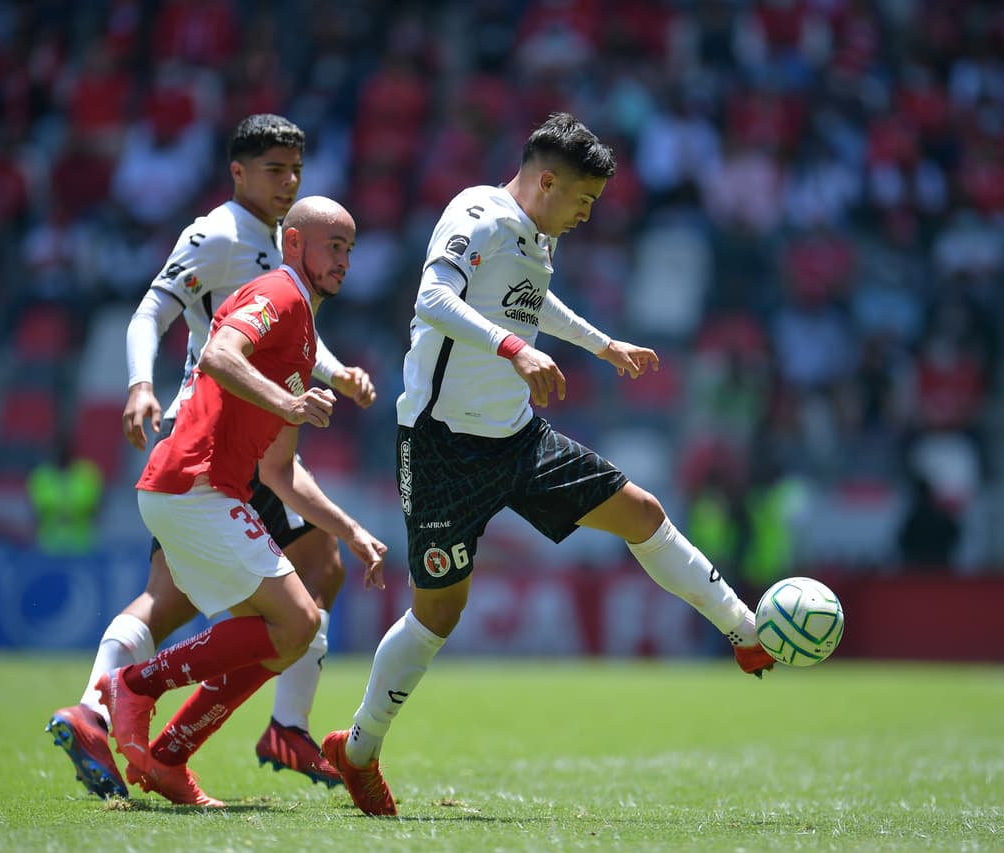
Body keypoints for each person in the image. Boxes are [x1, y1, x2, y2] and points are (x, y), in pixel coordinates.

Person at [319, 113, 777, 817]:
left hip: (516, 438)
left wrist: (601, 344)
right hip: (441, 446)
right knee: (439, 613)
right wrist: (515, 350)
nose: (588, 215)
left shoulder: (538, 234)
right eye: (584, 200)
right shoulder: (478, 215)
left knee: (642, 512)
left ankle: (744, 631)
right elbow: (432, 299)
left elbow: (530, 304)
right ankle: (358, 750)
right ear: (547, 181)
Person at [46, 115, 376, 799]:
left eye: (296, 170)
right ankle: (134, 707)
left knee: (290, 582)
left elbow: (288, 337)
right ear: (238, 172)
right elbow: (156, 312)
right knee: (287, 600)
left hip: (243, 434)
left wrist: (333, 372)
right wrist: (139, 382)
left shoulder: (286, 253)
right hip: (211, 432)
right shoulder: (219, 234)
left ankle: (117, 718)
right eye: (275, 169)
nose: (288, 181)